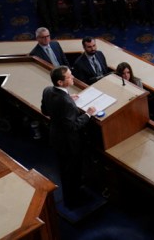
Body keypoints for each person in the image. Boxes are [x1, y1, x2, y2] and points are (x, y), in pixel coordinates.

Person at [40, 66, 96, 208]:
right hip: (69, 144)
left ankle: (72, 197)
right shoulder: (64, 102)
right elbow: (73, 126)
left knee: (65, 171)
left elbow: (45, 110)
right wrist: (88, 114)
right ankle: (73, 202)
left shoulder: (48, 90)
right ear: (60, 82)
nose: (73, 78)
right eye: (70, 77)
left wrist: (68, 100)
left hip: (56, 139)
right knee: (72, 173)